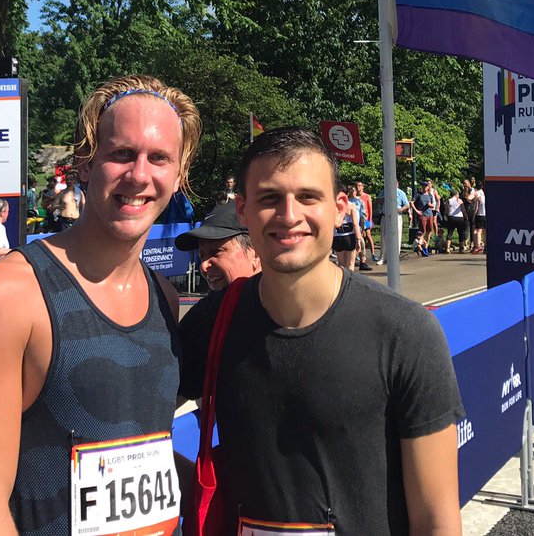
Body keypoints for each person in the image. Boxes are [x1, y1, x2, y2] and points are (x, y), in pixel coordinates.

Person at [0, 75, 200, 534]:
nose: (140, 175)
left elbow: (138, 450)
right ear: (85, 162)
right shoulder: (7, 295)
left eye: (159, 158)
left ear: (179, 174)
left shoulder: (164, 296)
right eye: (122, 153)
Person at [179, 127, 464, 534]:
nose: (289, 215)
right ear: (242, 210)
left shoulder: (405, 332)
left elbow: (436, 520)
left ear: (339, 208)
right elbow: (128, 425)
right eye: (269, 198)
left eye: (308, 197)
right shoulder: (214, 320)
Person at [175, 201, 260, 291]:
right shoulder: (218, 300)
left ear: (256, 253)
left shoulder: (269, 299)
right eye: (201, 256)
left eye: (216, 252)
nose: (203, 266)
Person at [443, 187, 468, 254]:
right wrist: (466, 217)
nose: (458, 195)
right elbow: (463, 209)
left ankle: (447, 248)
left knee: (450, 232)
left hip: (451, 217)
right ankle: (461, 248)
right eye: (458, 194)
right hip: (460, 218)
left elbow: (446, 209)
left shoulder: (449, 200)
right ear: (455, 194)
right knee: (460, 232)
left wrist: (448, 215)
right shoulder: (459, 200)